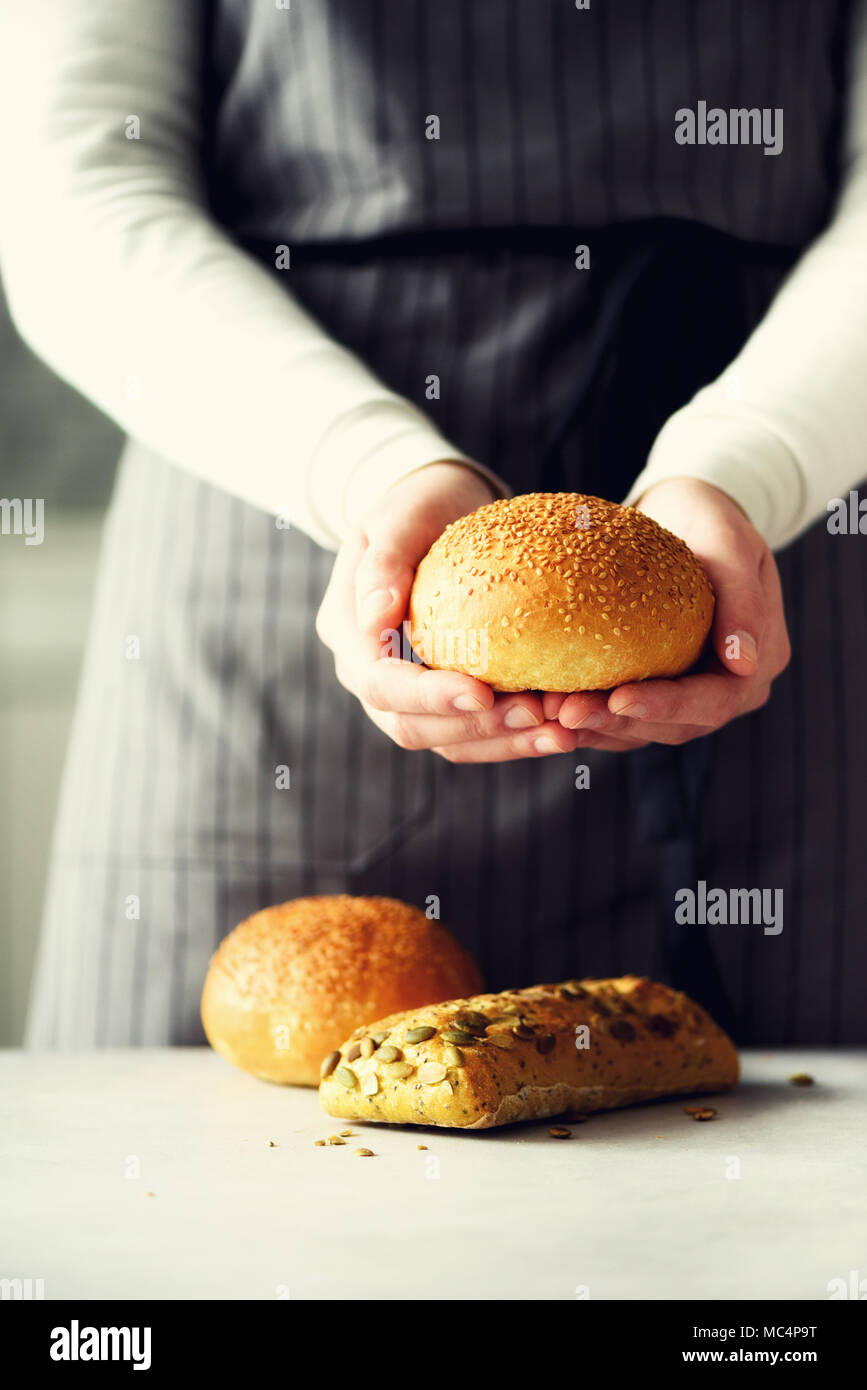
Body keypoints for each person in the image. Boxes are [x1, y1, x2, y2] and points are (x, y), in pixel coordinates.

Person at [2, 0, 865, 1048]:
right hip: (274, 509)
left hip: (775, 523)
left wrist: (751, 463)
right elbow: (75, 185)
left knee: (774, 1171)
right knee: (218, 1173)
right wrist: (363, 465)